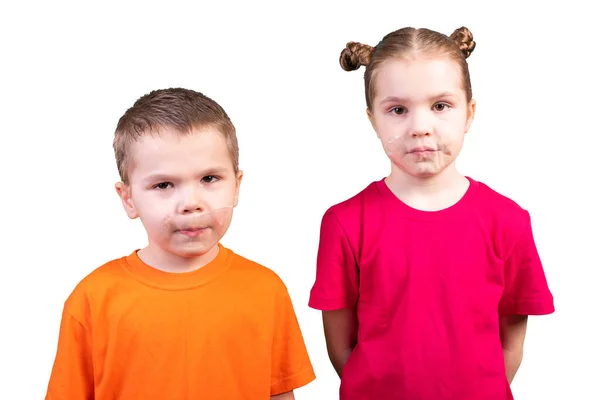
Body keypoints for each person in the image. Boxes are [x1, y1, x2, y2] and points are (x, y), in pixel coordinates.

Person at [308, 26, 554, 400]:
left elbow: (509, 344)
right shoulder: (344, 224)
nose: (420, 128)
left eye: (440, 106)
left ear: (469, 113)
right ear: (373, 119)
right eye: (398, 110)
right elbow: (341, 348)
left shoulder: (508, 221)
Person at [45, 88, 315, 399]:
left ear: (236, 186)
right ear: (128, 198)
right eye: (163, 184)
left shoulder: (267, 290)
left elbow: (280, 393)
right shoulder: (92, 300)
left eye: (209, 179)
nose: (191, 203)